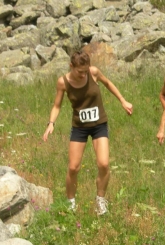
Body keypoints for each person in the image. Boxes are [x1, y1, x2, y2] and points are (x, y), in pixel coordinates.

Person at [42, 50, 133, 215]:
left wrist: (123, 100)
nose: (84, 75)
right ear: (71, 66)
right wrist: (51, 123)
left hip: (99, 125)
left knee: (104, 164)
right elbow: (57, 105)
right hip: (80, 127)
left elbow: (108, 84)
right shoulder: (63, 82)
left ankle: (100, 201)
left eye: (86, 71)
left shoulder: (94, 72)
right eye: (80, 71)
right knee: (73, 167)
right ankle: (70, 203)